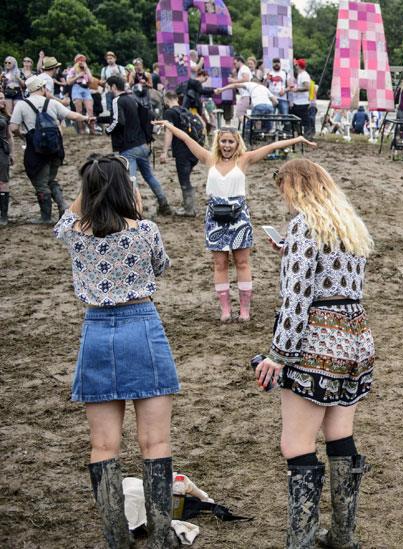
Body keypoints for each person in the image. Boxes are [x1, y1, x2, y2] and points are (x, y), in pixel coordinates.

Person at [54, 154, 180, 549]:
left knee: (103, 446)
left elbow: (67, 218)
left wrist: (94, 184)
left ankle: (116, 538)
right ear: (127, 189)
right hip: (141, 325)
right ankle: (161, 537)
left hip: (96, 333)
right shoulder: (145, 231)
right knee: (155, 443)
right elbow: (161, 266)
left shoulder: (74, 231)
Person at [252, 158, 374, 549]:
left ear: (296, 186)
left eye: (284, 190)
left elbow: (297, 297)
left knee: (296, 444)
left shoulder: (304, 225)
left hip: (317, 340)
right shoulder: (347, 225)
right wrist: (288, 251)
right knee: (340, 435)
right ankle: (343, 536)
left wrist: (278, 354)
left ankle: (301, 541)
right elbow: (335, 278)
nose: (284, 200)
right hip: (355, 337)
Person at [151, 121, 315, 321]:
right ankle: (225, 309)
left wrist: (298, 139)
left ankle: (245, 309)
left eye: (230, 142)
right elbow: (186, 139)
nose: (226, 145)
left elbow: (272, 146)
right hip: (215, 216)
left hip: (239, 215)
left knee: (242, 262)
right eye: (223, 141)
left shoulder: (244, 160)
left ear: (237, 144)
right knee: (219, 264)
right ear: (218, 142)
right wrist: (169, 124)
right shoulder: (209, 159)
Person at [10, 76, 93, 223]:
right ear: (41, 88)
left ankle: (46, 217)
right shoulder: (53, 103)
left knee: (41, 183)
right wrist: (87, 118)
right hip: (55, 148)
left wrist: (22, 135)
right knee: (50, 179)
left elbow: (13, 127)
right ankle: (63, 207)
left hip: (35, 150)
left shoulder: (22, 105)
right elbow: (72, 115)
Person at [104, 76, 172, 216]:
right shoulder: (132, 99)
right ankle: (164, 203)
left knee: (130, 180)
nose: (108, 90)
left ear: (114, 87)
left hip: (128, 148)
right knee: (149, 176)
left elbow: (119, 121)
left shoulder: (117, 100)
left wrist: (107, 130)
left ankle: (132, 210)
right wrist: (98, 119)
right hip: (142, 144)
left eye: (108, 87)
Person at [160, 91, 200, 216]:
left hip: (182, 152)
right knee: (186, 178)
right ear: (177, 99)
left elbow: (169, 132)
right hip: (194, 150)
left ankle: (189, 209)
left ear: (166, 100)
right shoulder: (185, 110)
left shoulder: (169, 113)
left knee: (184, 180)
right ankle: (189, 206)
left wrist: (164, 152)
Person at [65, 54, 96, 134]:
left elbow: (91, 81)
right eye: (79, 60)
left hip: (86, 89)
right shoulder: (72, 70)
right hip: (76, 88)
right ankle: (81, 130)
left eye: (83, 60)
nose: (81, 61)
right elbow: (68, 82)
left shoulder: (86, 69)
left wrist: (86, 69)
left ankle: (92, 129)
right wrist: (78, 76)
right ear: (76, 61)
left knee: (90, 109)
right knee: (79, 110)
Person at [288, 59, 313, 137]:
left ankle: (306, 135)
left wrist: (296, 89)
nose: (295, 67)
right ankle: (300, 135)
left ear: (299, 66)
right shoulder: (300, 75)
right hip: (298, 102)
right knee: (296, 119)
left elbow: (307, 87)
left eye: (296, 65)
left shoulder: (304, 75)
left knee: (303, 120)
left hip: (302, 102)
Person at [100, 52, 126, 116]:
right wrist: (105, 82)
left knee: (120, 106)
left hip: (120, 90)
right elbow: (101, 81)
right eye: (108, 59)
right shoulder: (104, 69)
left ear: (115, 58)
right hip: (109, 90)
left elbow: (125, 79)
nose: (109, 60)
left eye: (111, 58)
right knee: (110, 107)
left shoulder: (120, 68)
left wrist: (118, 74)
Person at [0, 103, 9, 225]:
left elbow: (9, 136)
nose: (2, 100)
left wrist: (10, 154)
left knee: (3, 182)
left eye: (2, 97)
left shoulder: (4, 116)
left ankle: (4, 215)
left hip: (2, 152)